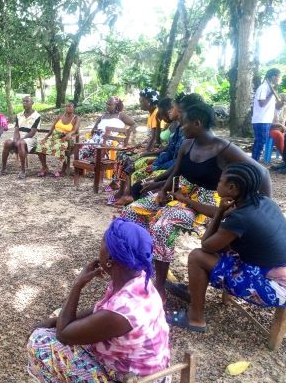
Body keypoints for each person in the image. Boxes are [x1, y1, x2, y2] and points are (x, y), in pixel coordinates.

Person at [121, 103, 272, 302]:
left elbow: (263, 173)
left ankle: (159, 289)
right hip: (180, 193)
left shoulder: (224, 149)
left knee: (163, 226)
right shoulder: (187, 144)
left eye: (184, 125)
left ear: (197, 123)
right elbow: (176, 172)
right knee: (130, 212)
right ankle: (140, 269)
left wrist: (263, 207)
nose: (181, 128)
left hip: (204, 202)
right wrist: (162, 190)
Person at [27, 218, 170, 383]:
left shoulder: (121, 311)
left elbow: (63, 335)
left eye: (103, 241)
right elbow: (99, 311)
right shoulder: (137, 279)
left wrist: (77, 285)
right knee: (59, 316)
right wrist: (55, 320)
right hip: (151, 377)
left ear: (110, 258)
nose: (100, 245)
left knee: (39, 343)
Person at [167, 163, 286, 332]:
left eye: (220, 181)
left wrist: (218, 214)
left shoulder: (241, 217)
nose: (217, 183)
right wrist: (187, 201)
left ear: (232, 187)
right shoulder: (261, 201)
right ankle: (193, 291)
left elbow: (206, 245)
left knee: (197, 256)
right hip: (276, 269)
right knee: (224, 245)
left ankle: (195, 318)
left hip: (275, 286)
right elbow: (222, 212)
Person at [0, 96, 40, 179]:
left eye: (27, 101)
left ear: (32, 103)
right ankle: (3, 168)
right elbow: (16, 129)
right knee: (7, 142)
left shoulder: (37, 116)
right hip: (19, 136)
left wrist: (20, 140)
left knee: (21, 143)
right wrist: (15, 139)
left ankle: (23, 170)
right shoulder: (19, 115)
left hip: (31, 138)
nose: (25, 103)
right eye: (23, 101)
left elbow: (32, 132)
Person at [78, 97, 136, 161]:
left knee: (100, 147)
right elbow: (93, 130)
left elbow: (134, 124)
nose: (107, 106)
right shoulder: (103, 116)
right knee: (84, 147)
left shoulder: (120, 115)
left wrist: (127, 132)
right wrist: (95, 131)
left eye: (110, 104)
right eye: (107, 104)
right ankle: (86, 165)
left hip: (111, 139)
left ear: (115, 105)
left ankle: (97, 164)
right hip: (96, 137)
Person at [36, 102, 80, 177]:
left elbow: (75, 130)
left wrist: (69, 134)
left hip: (65, 139)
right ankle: (45, 167)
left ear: (73, 108)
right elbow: (52, 128)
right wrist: (45, 138)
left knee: (60, 147)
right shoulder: (60, 116)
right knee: (40, 146)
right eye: (67, 106)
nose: (68, 108)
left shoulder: (76, 118)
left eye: (70, 106)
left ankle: (63, 170)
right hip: (54, 138)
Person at [251, 68, 284, 161]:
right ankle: (254, 162)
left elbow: (273, 107)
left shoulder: (270, 88)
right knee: (261, 141)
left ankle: (253, 161)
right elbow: (262, 104)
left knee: (260, 141)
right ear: (273, 77)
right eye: (278, 77)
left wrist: (281, 103)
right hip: (261, 119)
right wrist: (271, 94)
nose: (279, 79)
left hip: (266, 120)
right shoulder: (263, 88)